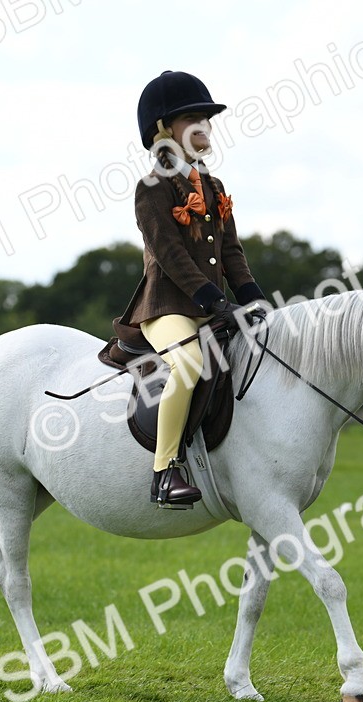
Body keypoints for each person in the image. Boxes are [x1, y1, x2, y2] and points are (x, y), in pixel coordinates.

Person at [120, 70, 267, 508]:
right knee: (188, 362)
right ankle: (165, 471)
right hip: (167, 306)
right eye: (192, 118)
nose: (204, 125)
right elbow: (169, 253)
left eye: (207, 117)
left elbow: (232, 251)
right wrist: (210, 297)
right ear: (164, 130)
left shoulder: (214, 187)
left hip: (213, 302)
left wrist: (252, 297)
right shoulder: (152, 188)